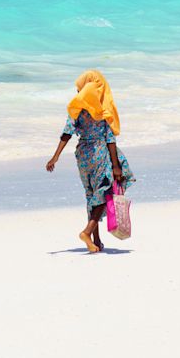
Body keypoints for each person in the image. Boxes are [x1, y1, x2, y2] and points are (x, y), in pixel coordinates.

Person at [46, 70, 135, 252]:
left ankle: (96, 240)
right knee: (105, 192)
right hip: (100, 152)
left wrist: (55, 157)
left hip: (83, 155)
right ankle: (87, 232)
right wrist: (116, 165)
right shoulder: (102, 108)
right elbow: (110, 138)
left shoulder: (76, 107)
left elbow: (67, 133)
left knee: (91, 194)